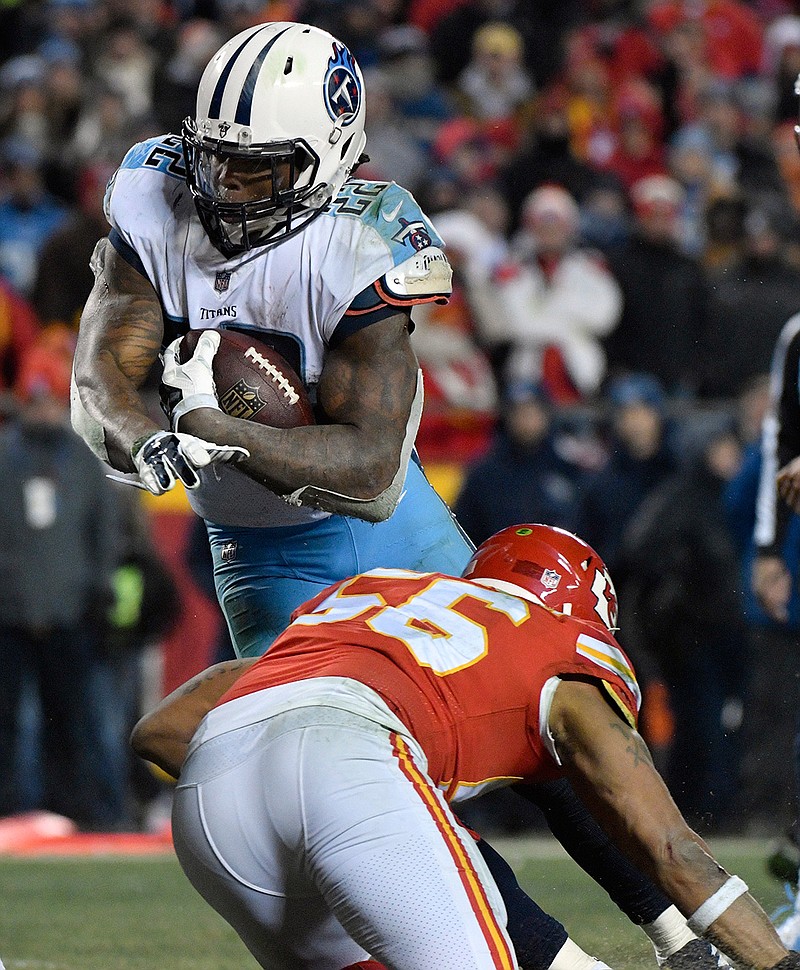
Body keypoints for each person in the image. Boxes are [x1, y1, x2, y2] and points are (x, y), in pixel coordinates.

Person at [72, 23, 722, 970]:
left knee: (542, 713)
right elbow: (104, 368)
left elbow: (371, 469)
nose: (226, 191)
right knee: (380, 779)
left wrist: (225, 432)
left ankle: (679, 932)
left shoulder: (366, 235)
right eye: (217, 163)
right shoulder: (152, 189)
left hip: (386, 520)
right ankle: (560, 962)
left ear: (331, 151)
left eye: (259, 170)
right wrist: (144, 437)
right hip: (265, 556)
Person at [131, 523, 795, 970]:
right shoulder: (565, 647)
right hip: (354, 762)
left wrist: (278, 783)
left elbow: (160, 728)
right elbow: (672, 850)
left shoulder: (371, 595)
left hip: (213, 803)